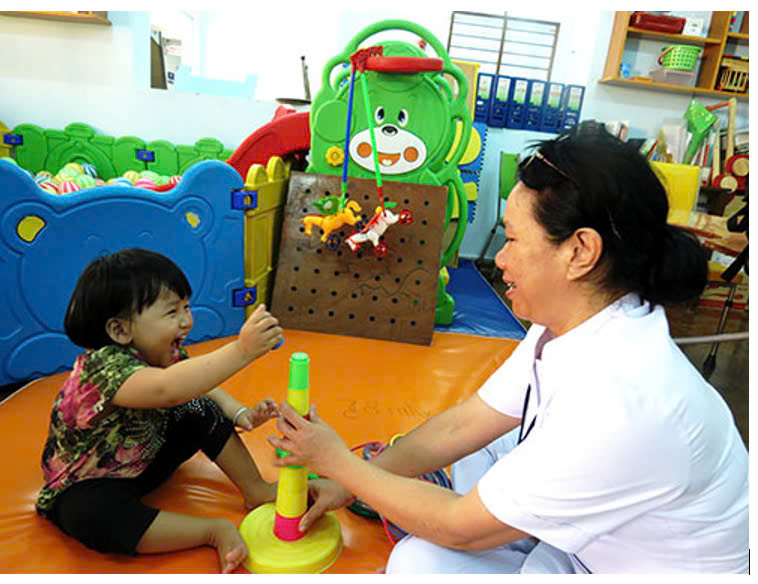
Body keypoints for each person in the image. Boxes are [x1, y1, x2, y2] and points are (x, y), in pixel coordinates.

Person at [268, 123, 749, 573]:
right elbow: (465, 423)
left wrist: (339, 463)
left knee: (419, 564)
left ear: (580, 251)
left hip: (630, 568)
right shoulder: (570, 323)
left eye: (513, 239)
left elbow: (460, 529)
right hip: (594, 536)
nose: (499, 258)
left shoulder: (622, 402)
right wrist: (347, 480)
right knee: (488, 442)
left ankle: (471, 511)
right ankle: (468, 507)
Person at [36, 248, 284, 573]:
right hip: (92, 482)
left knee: (196, 406)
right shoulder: (103, 367)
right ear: (120, 330)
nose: (186, 320)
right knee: (88, 514)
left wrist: (240, 413)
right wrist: (242, 350)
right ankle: (211, 531)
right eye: (172, 312)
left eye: (186, 307)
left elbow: (198, 386)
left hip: (142, 461)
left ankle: (256, 489)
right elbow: (167, 389)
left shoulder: (161, 353)